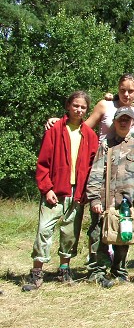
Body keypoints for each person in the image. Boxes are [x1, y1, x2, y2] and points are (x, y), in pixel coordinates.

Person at [46, 73, 134, 263]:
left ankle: (117, 264)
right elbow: (82, 127)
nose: (126, 94)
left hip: (127, 175)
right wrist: (58, 122)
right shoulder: (105, 105)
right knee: (99, 219)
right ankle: (96, 263)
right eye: (122, 90)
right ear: (117, 89)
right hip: (102, 168)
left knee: (121, 218)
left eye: (131, 91)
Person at [22, 91, 99, 291]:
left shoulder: (90, 135)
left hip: (77, 192)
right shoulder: (55, 130)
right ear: (68, 105)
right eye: (75, 105)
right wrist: (47, 189)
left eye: (83, 107)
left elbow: (92, 168)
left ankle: (64, 269)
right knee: (44, 230)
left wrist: (85, 193)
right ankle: (37, 272)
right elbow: (43, 164)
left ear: (87, 110)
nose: (79, 110)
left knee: (70, 233)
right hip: (56, 190)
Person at [86, 106, 134, 287]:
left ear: (132, 123)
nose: (123, 122)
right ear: (114, 122)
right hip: (104, 201)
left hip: (126, 203)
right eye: (120, 119)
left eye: (127, 120)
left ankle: (118, 270)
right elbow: (96, 173)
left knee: (124, 236)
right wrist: (94, 199)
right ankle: (97, 271)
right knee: (98, 235)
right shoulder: (106, 145)